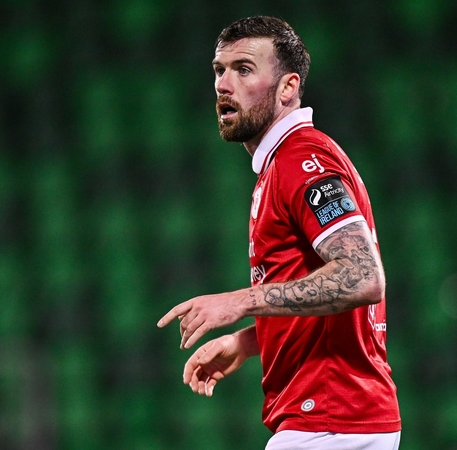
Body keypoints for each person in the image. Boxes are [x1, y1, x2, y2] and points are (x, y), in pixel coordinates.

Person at [157, 16, 401, 450]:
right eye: (219, 69)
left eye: (243, 69)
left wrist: (239, 302)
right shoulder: (284, 164)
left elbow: (363, 276)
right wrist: (251, 342)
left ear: (287, 88)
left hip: (330, 419)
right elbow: (320, 291)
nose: (223, 85)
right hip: (335, 419)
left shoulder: (300, 160)